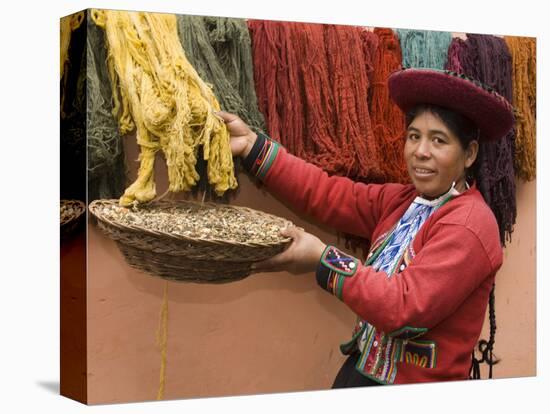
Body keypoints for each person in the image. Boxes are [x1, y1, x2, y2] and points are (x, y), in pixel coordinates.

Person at [216, 68, 515, 387]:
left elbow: (403, 307)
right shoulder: (402, 201)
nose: (420, 151)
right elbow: (325, 193)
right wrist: (252, 146)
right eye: (414, 136)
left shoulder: (470, 224)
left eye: (438, 140)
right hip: (363, 369)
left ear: (469, 153)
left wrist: (322, 259)